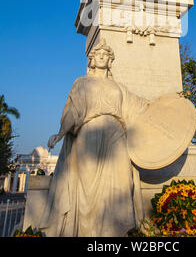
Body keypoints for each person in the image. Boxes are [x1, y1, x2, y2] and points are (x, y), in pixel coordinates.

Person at [39, 39, 149, 237]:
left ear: (110, 61)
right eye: (98, 53)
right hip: (89, 132)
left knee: (123, 181)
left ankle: (114, 232)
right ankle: (88, 233)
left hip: (116, 133)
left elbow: (140, 108)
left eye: (106, 54)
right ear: (91, 59)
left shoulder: (119, 87)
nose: (101, 56)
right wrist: (60, 133)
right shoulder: (82, 82)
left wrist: (167, 106)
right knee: (87, 187)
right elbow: (74, 111)